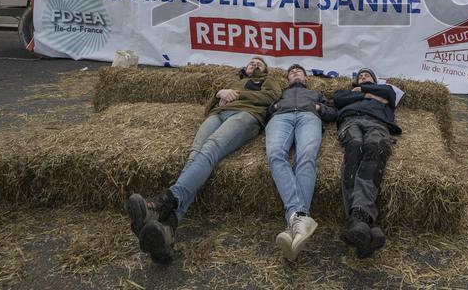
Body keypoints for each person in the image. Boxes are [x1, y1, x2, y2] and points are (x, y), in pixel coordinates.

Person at [125, 57, 284, 264]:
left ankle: (161, 203)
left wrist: (235, 95)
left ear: (265, 69)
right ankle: (167, 230)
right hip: (217, 115)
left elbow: (271, 99)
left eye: (259, 63)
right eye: (251, 62)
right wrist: (219, 94)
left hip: (246, 115)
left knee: (210, 149)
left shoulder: (267, 81)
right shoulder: (233, 81)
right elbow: (208, 109)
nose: (254, 65)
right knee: (194, 155)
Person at [265, 63, 337, 260]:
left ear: (306, 78)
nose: (295, 72)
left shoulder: (316, 93)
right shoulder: (280, 94)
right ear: (287, 79)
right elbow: (264, 112)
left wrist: (319, 107)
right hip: (281, 118)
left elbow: (333, 113)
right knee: (275, 155)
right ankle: (301, 218)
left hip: (308, 117)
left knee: (306, 157)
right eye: (291, 72)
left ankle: (293, 223)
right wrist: (275, 106)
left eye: (299, 71)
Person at [333, 68, 400, 258]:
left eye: (367, 76)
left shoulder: (385, 89)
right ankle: (366, 222)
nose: (363, 78)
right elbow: (338, 100)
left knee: (374, 148)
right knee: (354, 148)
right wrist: (368, 95)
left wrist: (364, 92)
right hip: (351, 121)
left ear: (375, 79)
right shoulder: (347, 92)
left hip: (378, 124)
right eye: (360, 77)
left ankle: (357, 222)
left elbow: (389, 94)